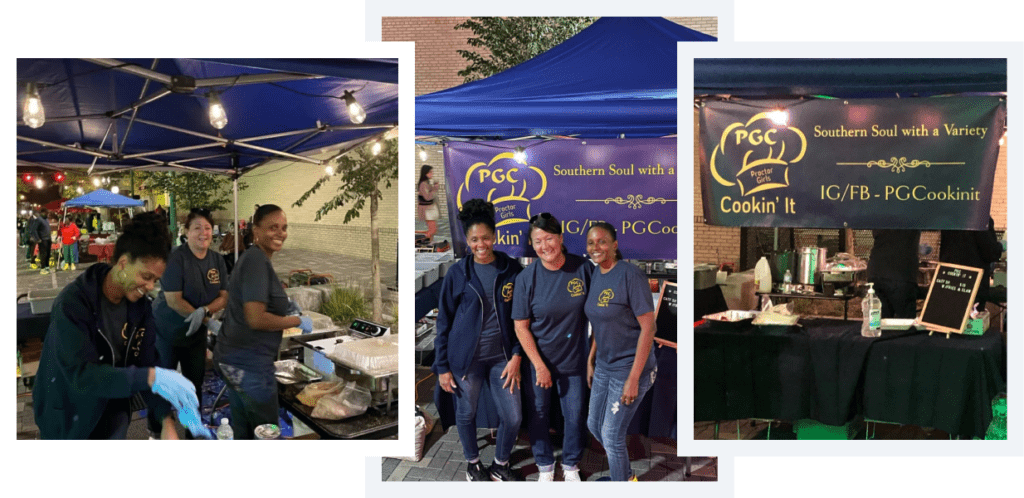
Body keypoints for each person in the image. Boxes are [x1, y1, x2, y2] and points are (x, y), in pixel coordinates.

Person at [32, 212, 211, 439]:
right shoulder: (74, 303)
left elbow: (149, 362)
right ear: (123, 263)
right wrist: (150, 377)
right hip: (68, 414)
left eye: (155, 280)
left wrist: (165, 421)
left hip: (113, 409)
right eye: (146, 276)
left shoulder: (141, 308)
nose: (149, 286)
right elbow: (81, 376)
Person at [434, 199, 524, 481]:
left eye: (485, 237)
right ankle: (473, 463)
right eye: (474, 239)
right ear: (467, 240)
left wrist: (517, 355)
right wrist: (442, 367)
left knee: (513, 417)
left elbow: (522, 319)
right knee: (466, 412)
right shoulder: (458, 273)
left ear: (494, 237)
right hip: (465, 359)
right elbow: (443, 321)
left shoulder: (511, 270)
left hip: (502, 358)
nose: (480, 244)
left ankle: (500, 464)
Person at [213, 204, 313, 439]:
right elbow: (255, 318)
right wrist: (296, 319)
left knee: (245, 430)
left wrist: (284, 303)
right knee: (266, 433)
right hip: (249, 364)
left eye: (284, 228)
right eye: (273, 228)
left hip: (235, 358)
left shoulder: (256, 259)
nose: (280, 233)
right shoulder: (256, 261)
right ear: (256, 230)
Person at [512, 213, 592, 482]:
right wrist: (538, 365)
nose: (544, 245)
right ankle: (545, 466)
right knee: (539, 415)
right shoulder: (527, 278)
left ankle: (570, 465)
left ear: (560, 238)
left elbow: (599, 312)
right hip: (539, 363)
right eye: (538, 241)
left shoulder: (583, 268)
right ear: (532, 245)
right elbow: (521, 326)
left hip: (574, 362)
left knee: (575, 415)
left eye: (549, 238)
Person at [583, 222, 657, 482]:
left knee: (612, 436)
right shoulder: (595, 274)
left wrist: (634, 378)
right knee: (594, 425)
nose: (596, 247)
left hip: (630, 368)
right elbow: (599, 322)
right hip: (604, 365)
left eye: (602, 242)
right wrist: (591, 359)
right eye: (591, 243)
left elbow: (649, 328)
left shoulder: (630, 275)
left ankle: (621, 484)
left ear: (614, 245)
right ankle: (625, 478)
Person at [147, 208, 229, 438]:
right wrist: (206, 320)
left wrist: (206, 311)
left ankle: (193, 434)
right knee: (164, 385)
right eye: (196, 228)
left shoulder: (217, 260)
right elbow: (174, 300)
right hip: (167, 332)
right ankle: (156, 430)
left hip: (195, 335)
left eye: (207, 228)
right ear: (186, 232)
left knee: (194, 385)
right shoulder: (175, 258)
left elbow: (224, 295)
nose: (203, 233)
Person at [940, 218, 1004, 309]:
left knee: (952, 317)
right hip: (973, 284)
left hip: (950, 281)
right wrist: (1000, 246)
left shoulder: (949, 217)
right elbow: (990, 253)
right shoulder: (981, 218)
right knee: (974, 319)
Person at [867, 229, 920, 319]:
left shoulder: (881, 216)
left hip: (876, 272)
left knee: (877, 324)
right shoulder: (913, 217)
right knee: (905, 324)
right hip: (901, 274)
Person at [417, 165, 441, 242]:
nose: (432, 174)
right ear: (425, 173)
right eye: (430, 172)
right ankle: (422, 240)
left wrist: (435, 187)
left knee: (432, 229)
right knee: (433, 229)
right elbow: (427, 197)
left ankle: (429, 242)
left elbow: (430, 192)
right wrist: (435, 189)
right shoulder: (423, 184)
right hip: (427, 210)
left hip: (429, 209)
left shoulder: (426, 183)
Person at [29, 209, 53, 274]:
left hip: (48, 239)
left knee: (48, 254)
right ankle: (42, 269)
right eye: (46, 212)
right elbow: (33, 230)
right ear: (42, 212)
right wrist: (38, 239)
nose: (47, 214)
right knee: (43, 254)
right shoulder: (38, 220)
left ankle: (47, 267)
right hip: (43, 240)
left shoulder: (46, 220)